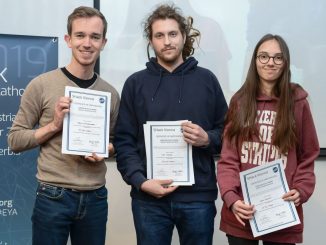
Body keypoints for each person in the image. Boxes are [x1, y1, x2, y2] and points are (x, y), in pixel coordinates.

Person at [114, 4, 228, 245]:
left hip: (198, 198)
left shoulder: (207, 80)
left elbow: (228, 134)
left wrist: (207, 139)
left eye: (173, 34)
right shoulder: (135, 84)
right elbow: (124, 142)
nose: (167, 41)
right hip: (148, 200)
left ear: (184, 36)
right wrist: (141, 182)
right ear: (151, 40)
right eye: (159, 35)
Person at [8, 6, 120, 245]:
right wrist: (54, 125)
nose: (87, 43)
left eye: (95, 37)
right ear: (68, 40)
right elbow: (14, 140)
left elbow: (116, 142)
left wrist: (106, 150)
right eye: (80, 35)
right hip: (52, 195)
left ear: (104, 42)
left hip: (96, 197)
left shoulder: (110, 93)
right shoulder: (41, 85)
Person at [217, 34, 320, 245]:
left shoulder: (298, 102)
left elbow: (308, 154)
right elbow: (228, 158)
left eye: (277, 57)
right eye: (263, 56)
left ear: (285, 62)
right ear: (254, 60)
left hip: (282, 214)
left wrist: (301, 189)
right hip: (242, 213)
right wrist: (231, 198)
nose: (270, 62)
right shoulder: (239, 101)